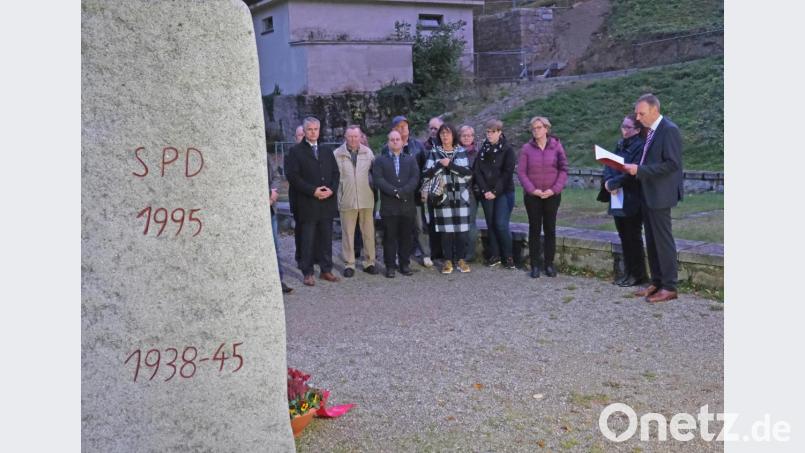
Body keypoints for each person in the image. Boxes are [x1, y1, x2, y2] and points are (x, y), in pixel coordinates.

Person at [622, 94, 684, 303]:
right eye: (637, 113)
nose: (638, 118)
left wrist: (640, 170)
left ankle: (669, 286)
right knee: (651, 240)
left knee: (663, 241)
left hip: (661, 193)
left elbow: (672, 164)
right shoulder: (650, 131)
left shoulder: (669, 130)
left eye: (642, 113)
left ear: (655, 110)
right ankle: (657, 282)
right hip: (648, 193)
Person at [284, 116, 341, 286]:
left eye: (316, 129)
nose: (313, 132)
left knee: (326, 239)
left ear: (319, 130)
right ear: (304, 130)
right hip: (308, 203)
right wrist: (313, 191)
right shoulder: (295, 152)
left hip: (326, 203)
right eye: (310, 129)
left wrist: (331, 189)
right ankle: (307, 272)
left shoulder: (326, 151)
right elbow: (293, 177)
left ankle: (326, 269)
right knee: (307, 240)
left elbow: (336, 173)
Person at [517, 116, 568, 278]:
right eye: (534, 128)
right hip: (533, 196)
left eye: (539, 127)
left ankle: (549, 264)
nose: (536, 131)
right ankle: (535, 265)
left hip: (552, 195)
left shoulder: (557, 146)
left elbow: (564, 169)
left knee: (550, 229)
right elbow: (521, 172)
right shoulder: (526, 148)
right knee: (534, 229)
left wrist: (554, 189)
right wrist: (532, 190)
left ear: (546, 129)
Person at [603, 114, 649, 288]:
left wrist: (615, 182)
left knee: (633, 237)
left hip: (632, 197)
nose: (623, 130)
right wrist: (608, 182)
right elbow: (609, 164)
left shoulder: (641, 147)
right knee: (623, 236)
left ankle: (638, 275)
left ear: (637, 130)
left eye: (627, 127)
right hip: (616, 195)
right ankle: (628, 272)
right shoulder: (620, 144)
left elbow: (634, 171)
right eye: (622, 126)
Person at [381, 115, 433, 268]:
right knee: (396, 226)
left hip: (414, 195)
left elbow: (426, 169)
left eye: (405, 126)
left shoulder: (418, 146)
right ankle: (399, 255)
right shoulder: (387, 148)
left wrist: (424, 189)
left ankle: (426, 254)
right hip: (394, 196)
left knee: (419, 225)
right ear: (393, 130)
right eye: (398, 127)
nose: (402, 129)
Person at [423, 124, 473, 274]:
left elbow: (467, 173)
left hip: (460, 196)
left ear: (453, 136)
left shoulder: (461, 151)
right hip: (442, 196)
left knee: (462, 230)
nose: (445, 136)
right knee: (446, 231)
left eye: (448, 133)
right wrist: (440, 164)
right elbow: (426, 173)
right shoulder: (434, 152)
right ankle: (448, 260)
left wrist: (449, 164)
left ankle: (461, 259)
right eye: (442, 134)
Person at [373, 131, 420, 278]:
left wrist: (403, 191)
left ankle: (404, 264)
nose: (395, 142)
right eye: (392, 139)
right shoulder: (380, 160)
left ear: (402, 142)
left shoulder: (411, 160)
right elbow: (378, 179)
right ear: (388, 142)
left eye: (397, 139)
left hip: (407, 205)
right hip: (389, 206)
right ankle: (390, 266)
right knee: (390, 238)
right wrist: (395, 191)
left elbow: (415, 178)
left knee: (406, 237)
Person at [333, 125, 377, 277]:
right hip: (347, 199)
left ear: (360, 137)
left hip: (366, 198)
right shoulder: (337, 154)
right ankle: (349, 264)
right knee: (348, 233)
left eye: (356, 136)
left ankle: (369, 262)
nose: (353, 139)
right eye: (350, 136)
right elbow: (334, 178)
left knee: (368, 233)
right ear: (345, 137)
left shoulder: (368, 152)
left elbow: (374, 174)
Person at [473, 119, 517, 269]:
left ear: (500, 132)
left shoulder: (507, 150)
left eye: (493, 132)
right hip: (487, 193)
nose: (489, 134)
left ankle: (509, 256)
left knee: (501, 224)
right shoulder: (483, 150)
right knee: (490, 224)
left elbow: (507, 173)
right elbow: (478, 171)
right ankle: (495, 254)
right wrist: (485, 190)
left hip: (504, 192)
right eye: (487, 132)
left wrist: (495, 191)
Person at [267, 158, 293, 293]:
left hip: (269, 208)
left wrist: (273, 194)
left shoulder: (264, 156)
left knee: (274, 247)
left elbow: (276, 177)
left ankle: (278, 280)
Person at [459, 125, 480, 262]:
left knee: (470, 222)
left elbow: (478, 174)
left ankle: (470, 253)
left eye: (469, 135)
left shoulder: (477, 154)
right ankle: (460, 251)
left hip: (471, 192)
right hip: (456, 192)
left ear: (473, 137)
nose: (466, 138)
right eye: (464, 135)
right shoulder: (455, 151)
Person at [289, 125, 305, 267]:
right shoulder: (291, 153)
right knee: (300, 229)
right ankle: (300, 257)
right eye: (300, 135)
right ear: (296, 137)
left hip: (313, 198)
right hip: (298, 199)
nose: (303, 137)